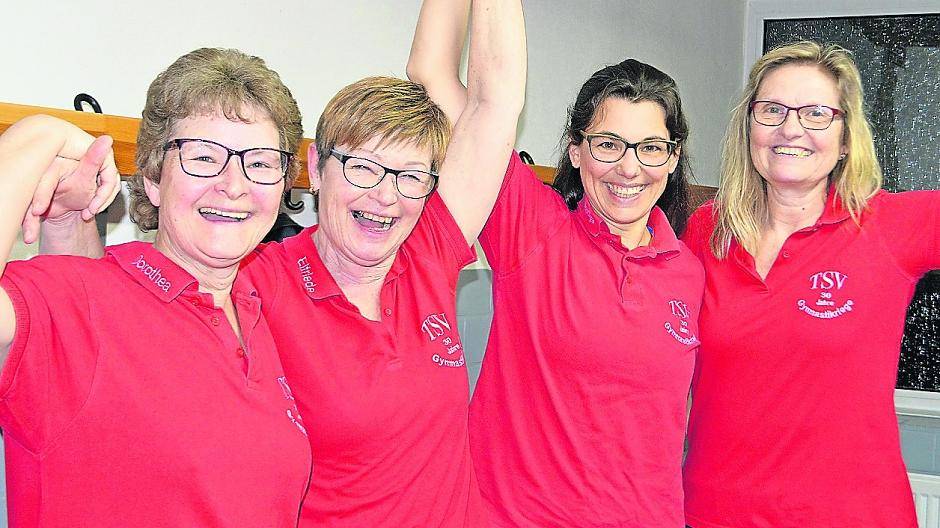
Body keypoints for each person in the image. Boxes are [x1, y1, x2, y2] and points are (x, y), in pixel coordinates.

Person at [233, 1, 525, 525]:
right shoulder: (260, 282)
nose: (386, 196)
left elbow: (495, 101)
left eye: (411, 175)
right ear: (316, 170)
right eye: (363, 167)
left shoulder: (428, 250)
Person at [409, 15, 704, 528]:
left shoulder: (691, 271)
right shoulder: (532, 231)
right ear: (577, 151)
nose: (629, 169)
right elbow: (432, 73)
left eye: (651, 147)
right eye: (608, 144)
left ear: (674, 158)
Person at [1, 48, 312, 526]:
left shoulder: (256, 310)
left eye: (262, 162)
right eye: (203, 157)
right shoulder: (77, 297)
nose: (234, 185)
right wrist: (34, 135)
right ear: (151, 179)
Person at [681, 41, 940, 528]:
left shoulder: (889, 225)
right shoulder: (705, 231)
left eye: (817, 113)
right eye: (772, 110)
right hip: (716, 513)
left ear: (846, 138)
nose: (791, 128)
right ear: (749, 126)